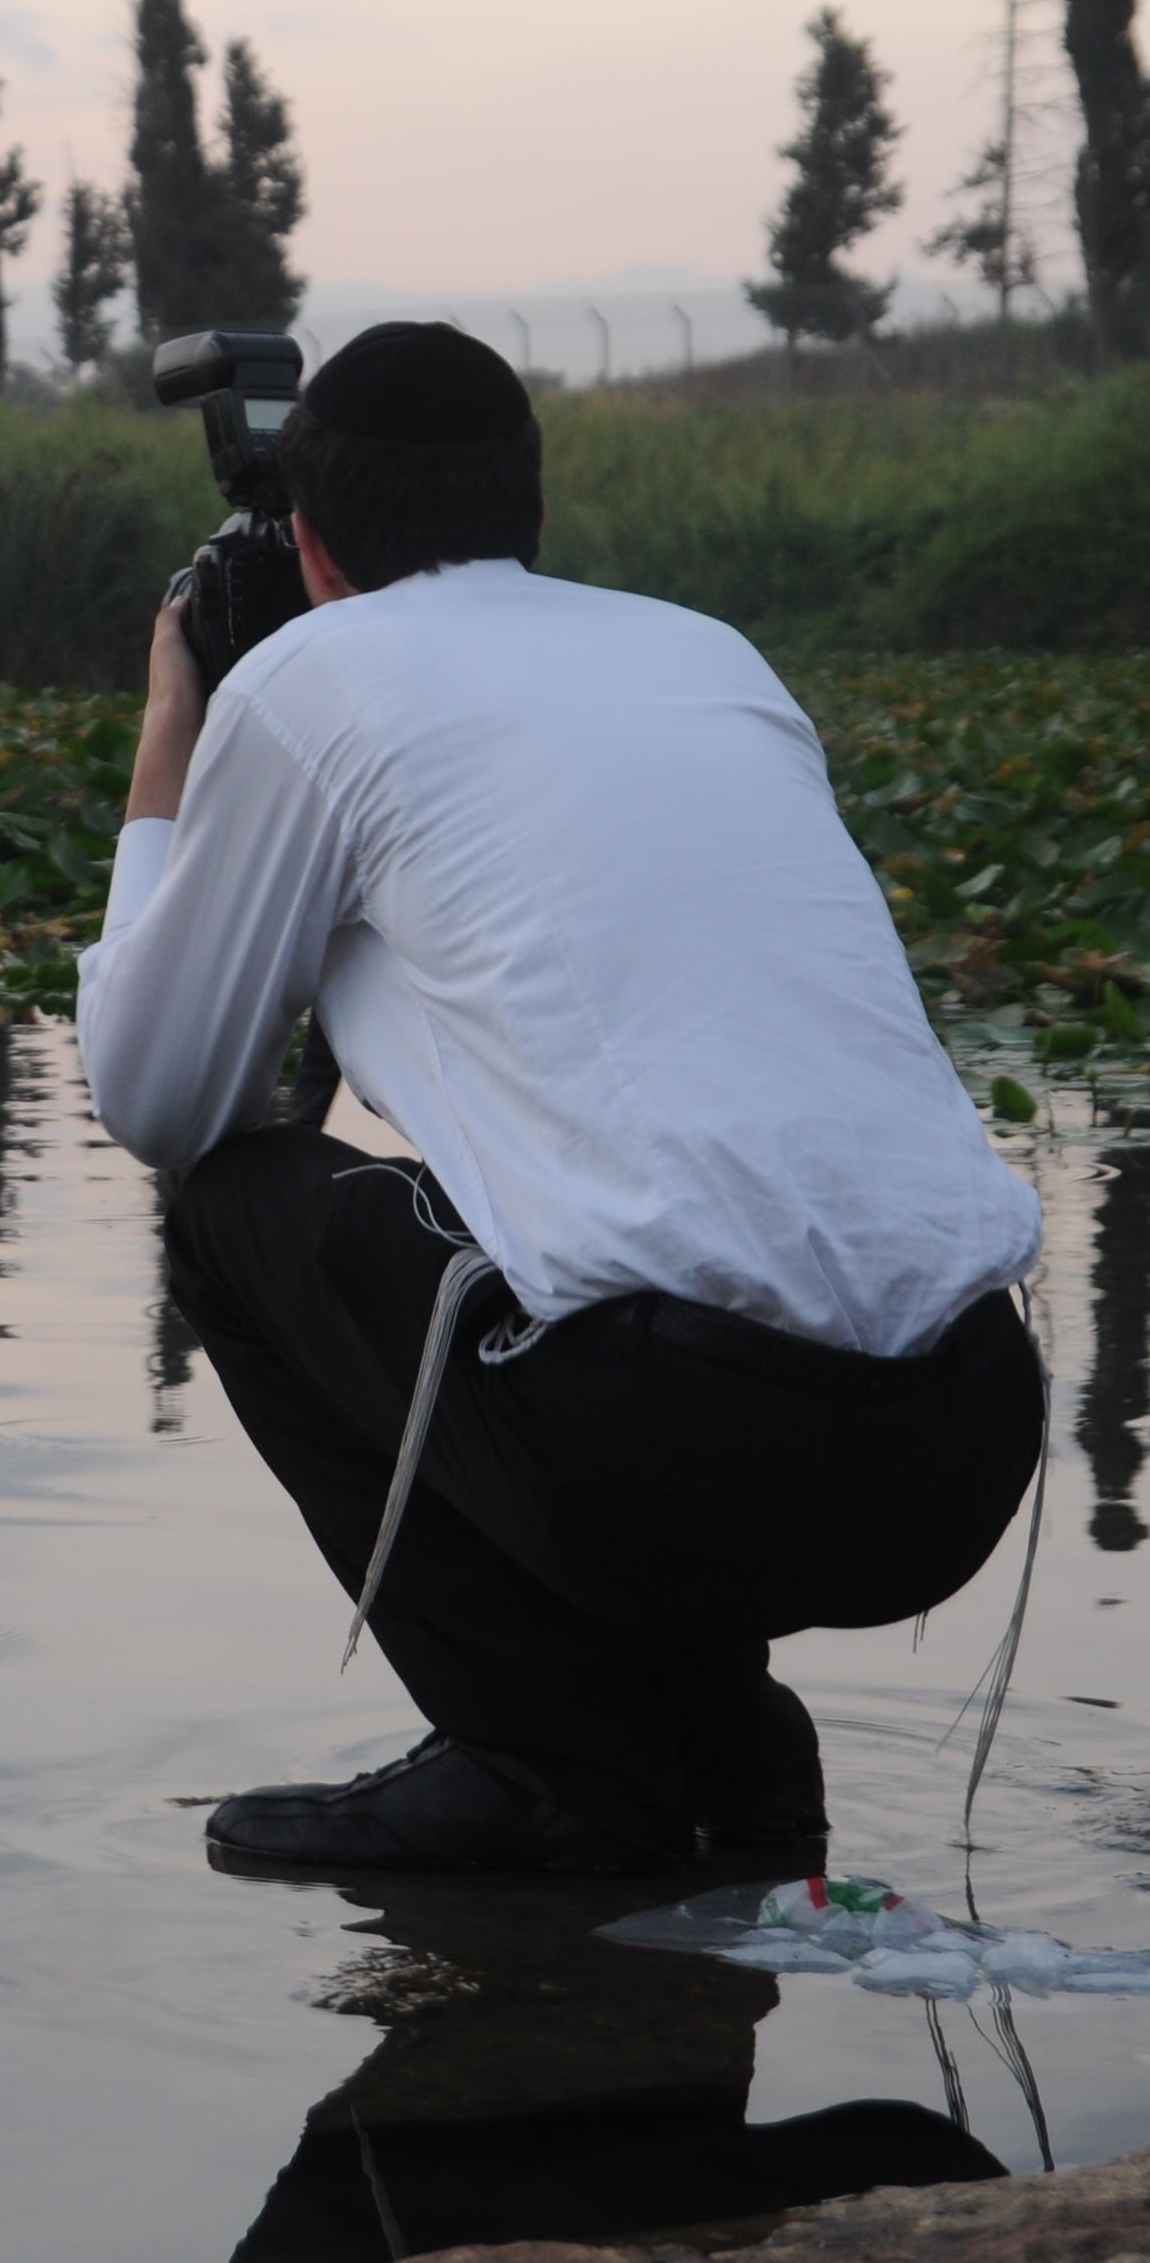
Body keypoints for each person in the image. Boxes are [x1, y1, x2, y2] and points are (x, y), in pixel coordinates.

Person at [77, 319, 1045, 1878]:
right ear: (531, 509)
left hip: (685, 1452)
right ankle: (723, 1745)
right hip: (966, 1438)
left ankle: (543, 1759)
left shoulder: (313, 675)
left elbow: (154, 1095)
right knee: (582, 1224)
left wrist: (176, 722)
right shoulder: (709, 654)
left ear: (309, 545)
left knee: (235, 1211)